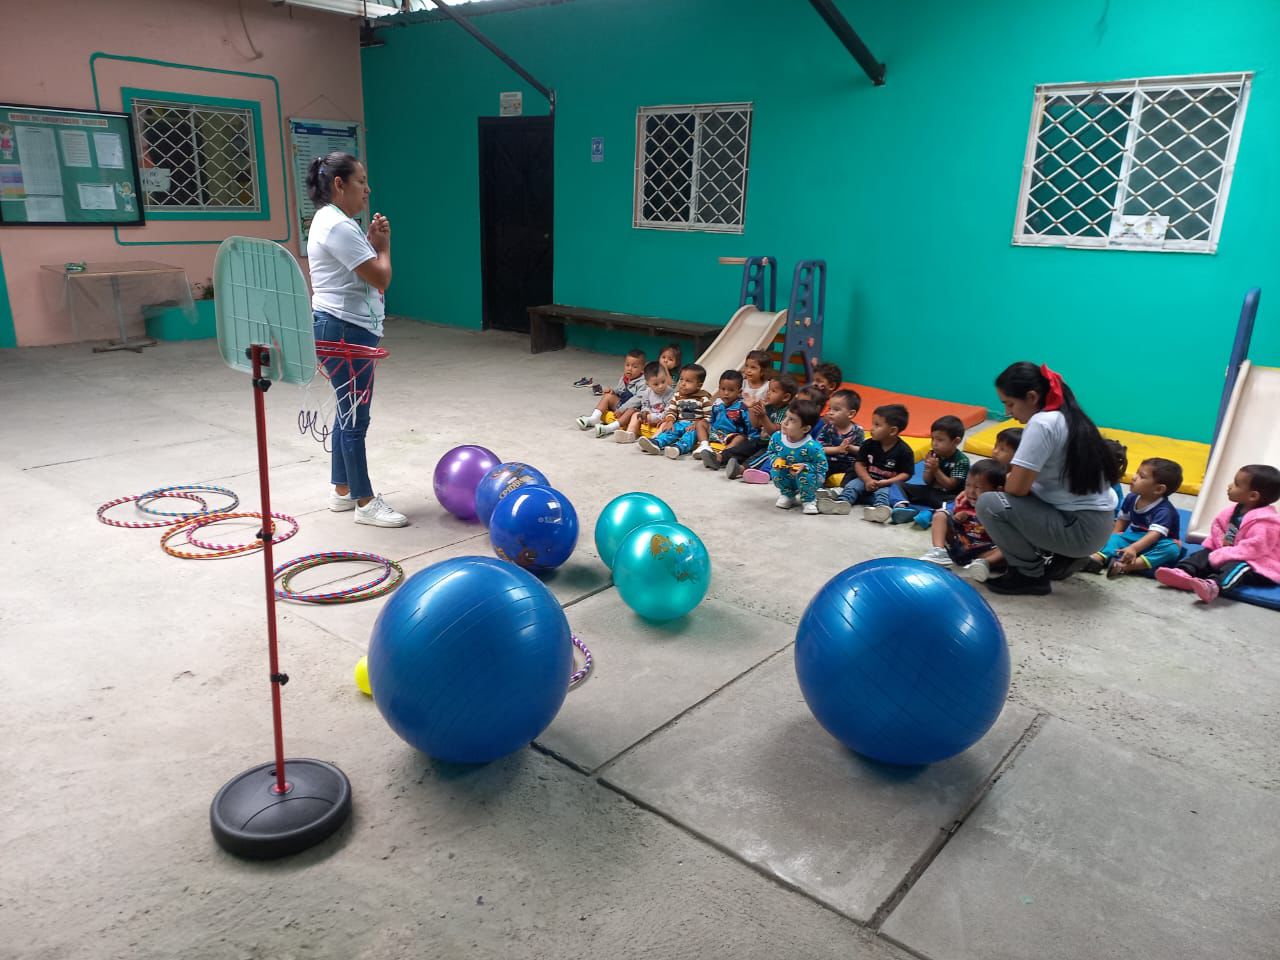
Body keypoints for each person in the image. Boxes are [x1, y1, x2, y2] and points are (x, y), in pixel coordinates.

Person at [306, 151, 405, 527]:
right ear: (339, 184)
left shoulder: (331, 221)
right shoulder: (338, 226)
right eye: (361, 181)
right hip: (345, 330)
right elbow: (380, 276)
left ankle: (342, 489)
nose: (367, 189)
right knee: (356, 417)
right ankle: (365, 502)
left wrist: (370, 241)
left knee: (346, 410)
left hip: (340, 327)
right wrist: (383, 246)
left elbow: (352, 270)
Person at [975, 362, 1119, 596]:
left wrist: (1010, 477)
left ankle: (1029, 575)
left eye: (1009, 404)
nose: (1008, 413)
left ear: (1032, 397)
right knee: (1018, 496)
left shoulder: (1042, 423)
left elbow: (1017, 488)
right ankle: (1061, 558)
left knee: (990, 503)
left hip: (1080, 529)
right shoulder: (1069, 417)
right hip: (1097, 525)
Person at [1156, 464, 1280, 604]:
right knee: (1203, 554)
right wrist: (1219, 547)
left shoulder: (1266, 522)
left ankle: (1214, 586)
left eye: (1236, 484)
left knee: (1239, 567)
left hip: (1258, 563)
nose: (1229, 486)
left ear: (1253, 496)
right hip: (1229, 552)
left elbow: (1254, 549)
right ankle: (1183, 572)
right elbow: (1219, 528)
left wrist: (1225, 554)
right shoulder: (1234, 511)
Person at [1085, 458, 1184, 577]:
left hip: (1157, 544)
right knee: (1116, 536)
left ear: (1158, 489)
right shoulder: (1131, 498)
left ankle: (1126, 566)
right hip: (1135, 539)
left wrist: (1134, 548)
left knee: (1172, 549)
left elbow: (1154, 535)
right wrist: (1111, 540)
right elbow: (1121, 522)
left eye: (1141, 476)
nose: (1134, 477)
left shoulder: (1164, 510)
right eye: (1137, 472)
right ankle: (1098, 558)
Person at [817, 403, 914, 520]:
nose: (871, 428)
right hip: (866, 479)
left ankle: (880, 509)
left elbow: (906, 474)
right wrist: (867, 479)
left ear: (892, 431)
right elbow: (859, 463)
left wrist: (887, 482)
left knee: (883, 493)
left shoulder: (904, 451)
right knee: (852, 485)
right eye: (873, 424)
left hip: (887, 484)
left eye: (877, 425)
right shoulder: (869, 444)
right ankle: (842, 502)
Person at [919, 458, 1007, 581]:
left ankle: (983, 564)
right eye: (967, 485)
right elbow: (953, 522)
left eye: (977, 487)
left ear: (998, 490)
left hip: (984, 552)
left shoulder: (1000, 509)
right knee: (940, 515)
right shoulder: (963, 502)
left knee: (1009, 550)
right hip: (960, 545)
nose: (970, 492)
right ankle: (939, 551)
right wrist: (957, 518)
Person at [891, 415, 970, 522]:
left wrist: (936, 470)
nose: (934, 443)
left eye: (940, 440)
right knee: (897, 484)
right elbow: (927, 481)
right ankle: (901, 507)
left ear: (956, 441)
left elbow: (950, 486)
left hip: (948, 496)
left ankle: (930, 514)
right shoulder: (933, 454)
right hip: (929, 491)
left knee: (958, 505)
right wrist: (929, 469)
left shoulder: (961, 460)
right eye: (933, 439)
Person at [638, 363, 714, 459]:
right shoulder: (677, 396)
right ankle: (657, 443)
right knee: (670, 430)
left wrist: (697, 424)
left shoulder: (704, 399)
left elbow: (709, 417)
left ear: (699, 385)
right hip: (680, 422)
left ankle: (678, 448)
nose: (683, 383)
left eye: (688, 381)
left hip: (694, 426)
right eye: (681, 379)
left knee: (690, 435)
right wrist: (670, 421)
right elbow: (672, 411)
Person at [767, 399, 828, 515]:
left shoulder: (812, 447)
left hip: (809, 478)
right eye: (786, 417)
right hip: (787, 475)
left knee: (806, 474)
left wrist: (805, 466)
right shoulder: (777, 437)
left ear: (805, 429)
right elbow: (771, 452)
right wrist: (775, 460)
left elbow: (822, 466)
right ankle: (787, 494)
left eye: (792, 420)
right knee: (776, 471)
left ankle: (809, 499)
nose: (784, 422)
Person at [731, 375, 797, 481]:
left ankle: (741, 469)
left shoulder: (787, 411)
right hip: (761, 440)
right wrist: (752, 408)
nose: (768, 393)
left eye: (773, 391)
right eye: (769, 390)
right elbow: (755, 424)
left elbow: (774, 432)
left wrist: (763, 416)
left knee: (764, 455)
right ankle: (720, 458)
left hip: (774, 445)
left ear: (785, 397)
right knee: (744, 447)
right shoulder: (769, 406)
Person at [577, 349, 646, 436]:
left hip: (633, 409)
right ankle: (593, 418)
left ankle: (609, 428)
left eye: (634, 367)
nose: (629, 369)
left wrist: (622, 409)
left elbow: (637, 400)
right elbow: (620, 390)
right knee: (608, 396)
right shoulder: (625, 378)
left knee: (632, 411)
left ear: (642, 369)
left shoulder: (643, 382)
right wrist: (613, 391)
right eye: (627, 365)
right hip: (621, 405)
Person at [698, 370, 752, 468]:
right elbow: (712, 420)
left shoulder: (742, 407)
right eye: (723, 389)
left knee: (740, 438)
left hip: (731, 436)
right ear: (719, 388)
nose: (726, 393)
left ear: (739, 392)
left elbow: (748, 425)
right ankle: (704, 445)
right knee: (701, 423)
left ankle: (722, 455)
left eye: (731, 390)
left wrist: (750, 437)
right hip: (716, 433)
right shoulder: (717, 404)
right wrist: (711, 430)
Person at [613, 360, 674, 443]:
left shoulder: (670, 392)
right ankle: (630, 434)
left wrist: (654, 417)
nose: (660, 386)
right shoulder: (647, 392)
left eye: (663, 382)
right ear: (648, 384)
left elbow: (669, 410)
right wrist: (645, 412)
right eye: (656, 384)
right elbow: (644, 405)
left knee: (665, 424)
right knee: (635, 415)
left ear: (666, 377)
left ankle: (654, 440)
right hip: (648, 417)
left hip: (661, 419)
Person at [815, 388, 864, 484]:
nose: (830, 412)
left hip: (848, 463)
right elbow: (818, 449)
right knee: (819, 465)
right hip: (830, 461)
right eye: (829, 408)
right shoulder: (828, 427)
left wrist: (850, 448)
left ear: (851, 414)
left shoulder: (858, 430)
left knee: (857, 469)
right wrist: (838, 449)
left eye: (836, 409)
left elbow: (862, 451)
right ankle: (818, 487)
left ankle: (843, 489)